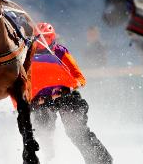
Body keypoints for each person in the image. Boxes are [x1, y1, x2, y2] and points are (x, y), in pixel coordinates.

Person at [30, 22, 113, 164]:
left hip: (66, 97)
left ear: (51, 39)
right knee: (41, 134)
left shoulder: (60, 52)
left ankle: (101, 161)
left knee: (76, 131)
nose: (41, 46)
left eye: (45, 40)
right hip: (42, 100)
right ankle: (46, 159)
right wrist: (32, 99)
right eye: (38, 41)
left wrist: (65, 89)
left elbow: (80, 78)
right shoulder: (27, 54)